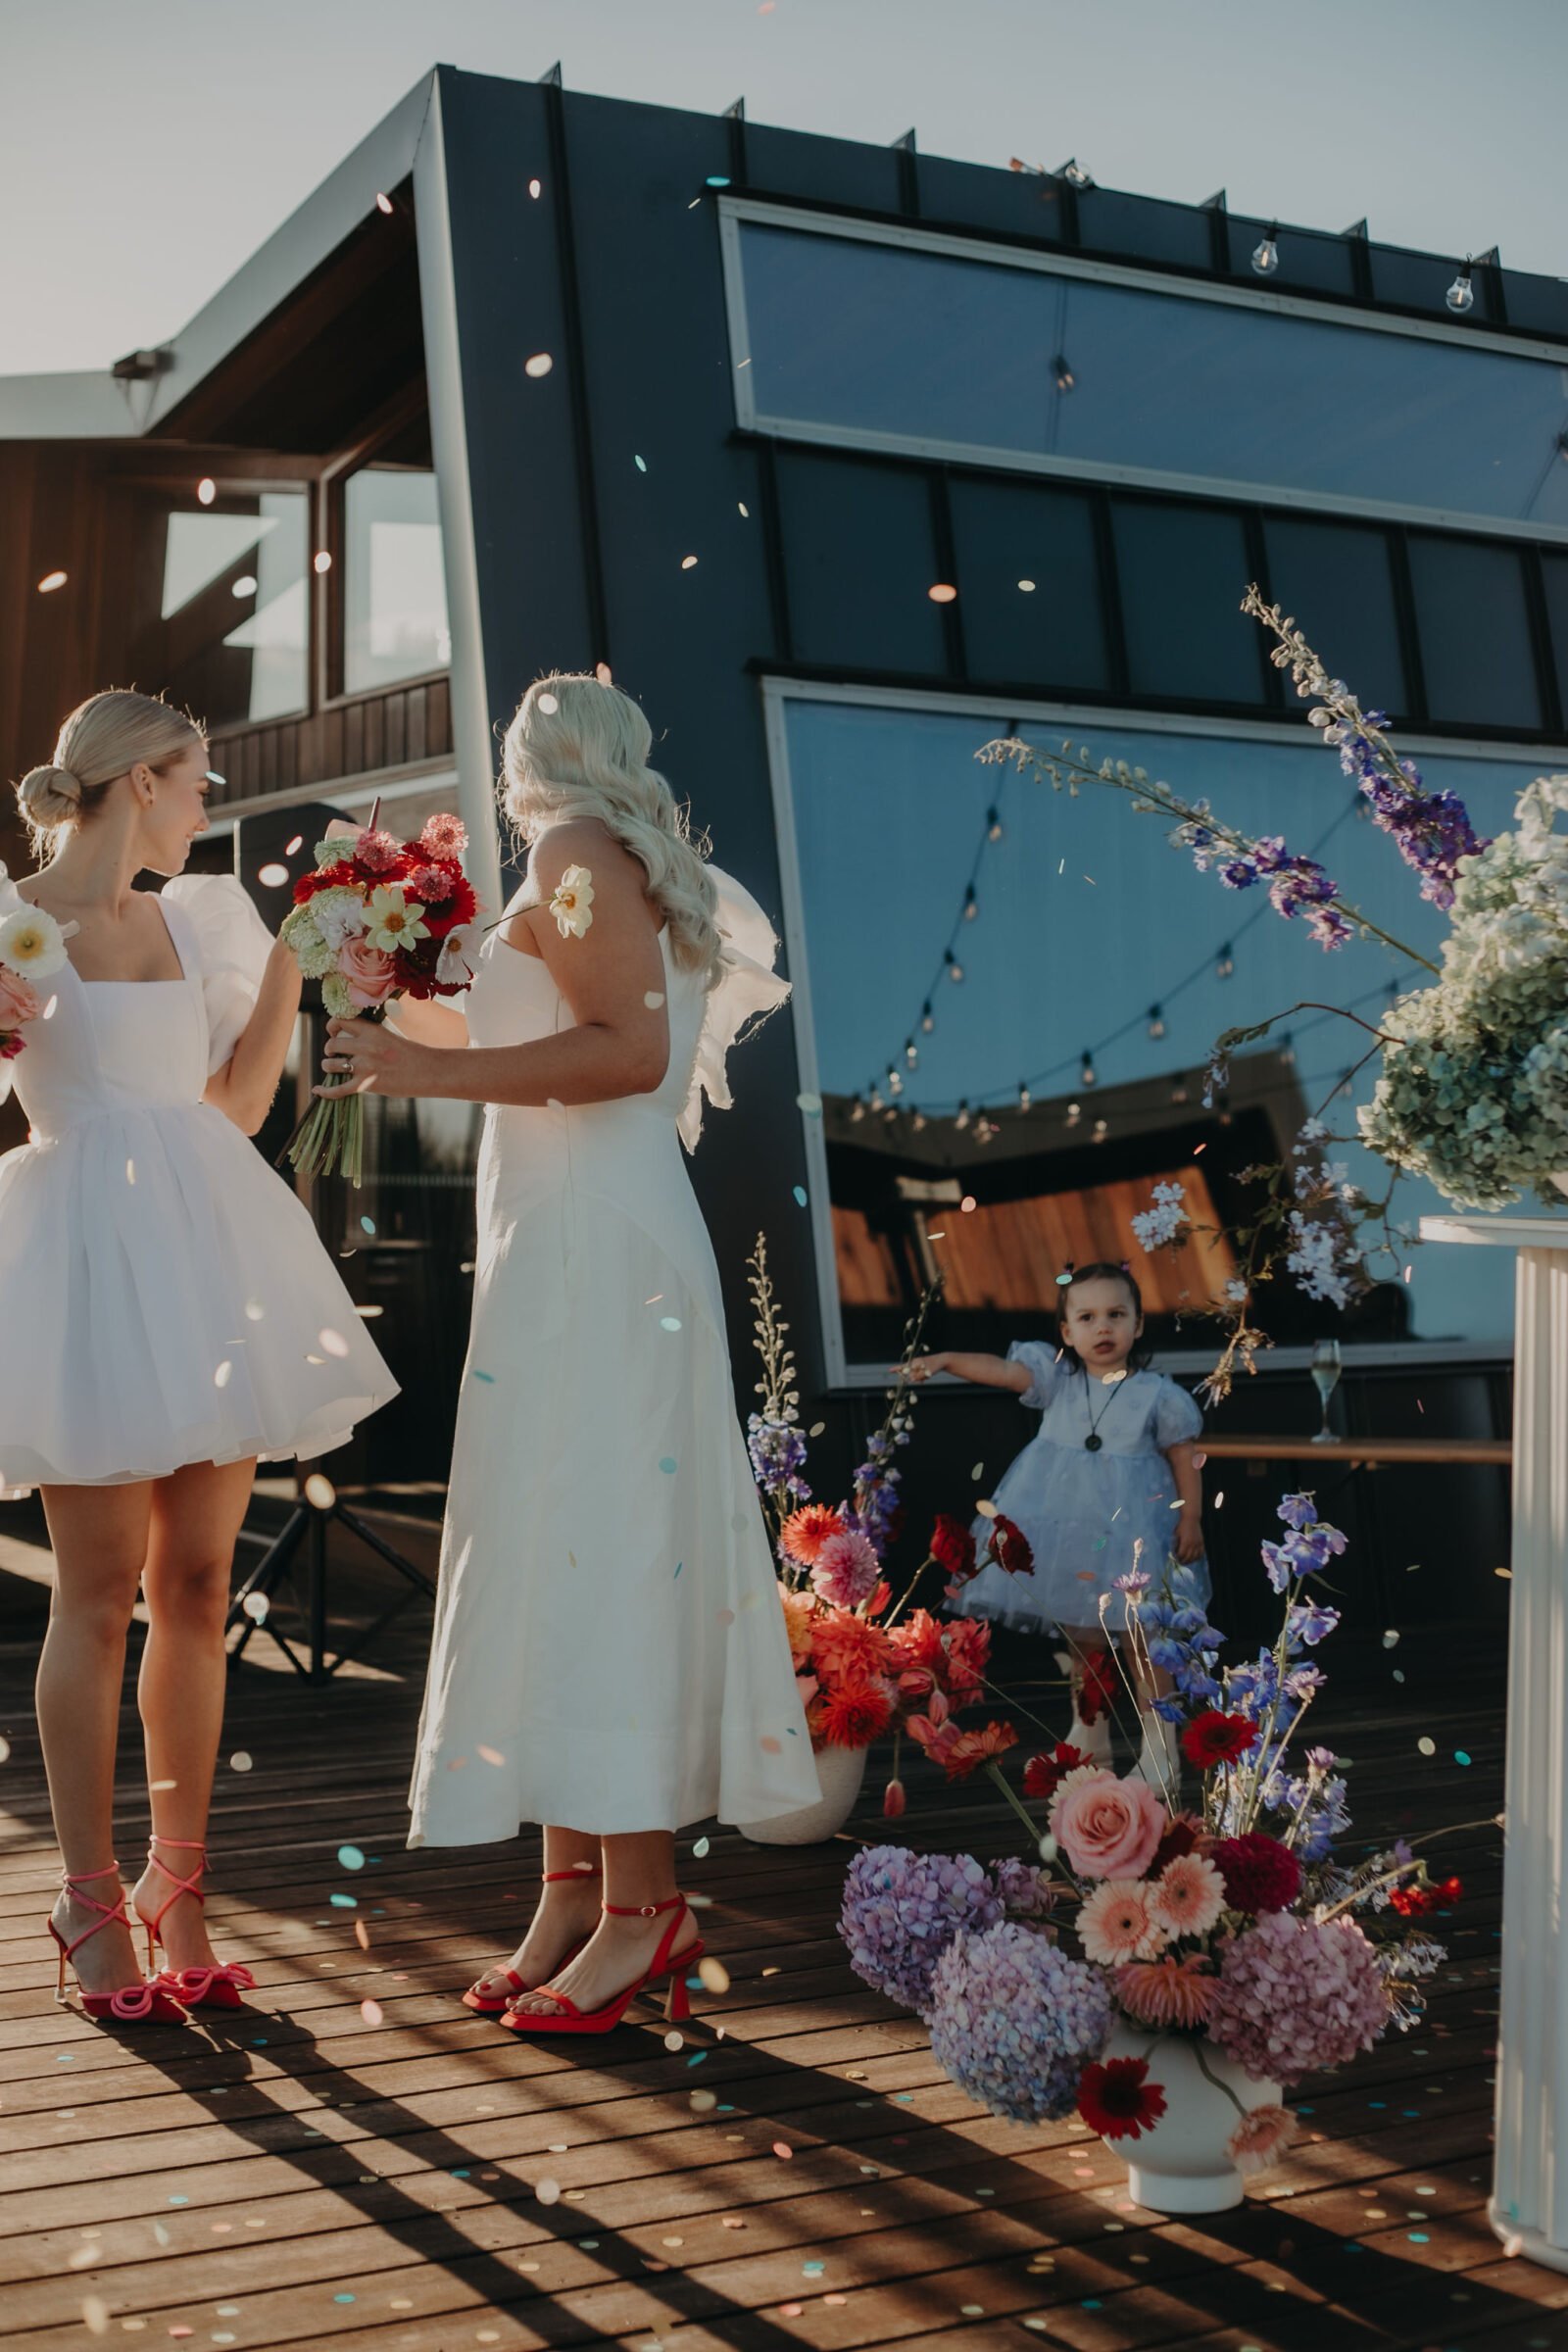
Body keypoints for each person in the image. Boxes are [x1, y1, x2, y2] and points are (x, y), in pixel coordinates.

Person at [315, 671, 818, 2036]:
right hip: (564, 1236)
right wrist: (383, 996)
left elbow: (626, 1053)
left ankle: (647, 1910)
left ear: (524, 760)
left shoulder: (573, 852)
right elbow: (534, 1036)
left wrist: (424, 1077)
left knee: (599, 1548)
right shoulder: (602, 861)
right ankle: (572, 1891)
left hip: (599, 1242)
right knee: (557, 1546)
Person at [1, 691, 398, 2025]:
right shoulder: (8, 919)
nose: (205, 805)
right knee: (98, 1593)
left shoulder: (204, 919)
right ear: (139, 782)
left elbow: (232, 1106)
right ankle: (87, 1896)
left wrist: (294, 961)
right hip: (80, 1266)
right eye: (198, 781)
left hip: (209, 1254)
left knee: (198, 1582)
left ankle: (180, 1886)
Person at [905, 1262, 1207, 1788]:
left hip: (1133, 1534)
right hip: (1073, 1536)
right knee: (1083, 1637)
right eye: (1087, 1318)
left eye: (1116, 1315)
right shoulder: (1058, 1380)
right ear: (1067, 1332)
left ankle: (1161, 1751)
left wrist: (1192, 1517)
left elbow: (1185, 1459)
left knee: (1143, 1638)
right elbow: (1002, 1371)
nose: (1103, 1327)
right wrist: (946, 1359)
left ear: (1137, 1324)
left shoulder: (1157, 1395)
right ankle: (1090, 1735)